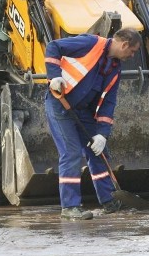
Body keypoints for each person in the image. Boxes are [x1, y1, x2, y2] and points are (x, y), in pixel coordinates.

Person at [45, 27, 143, 220]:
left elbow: (109, 102)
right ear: (124, 44)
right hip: (60, 105)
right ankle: (70, 207)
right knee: (71, 152)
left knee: (99, 153)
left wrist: (102, 134)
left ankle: (109, 200)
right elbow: (53, 46)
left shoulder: (114, 68)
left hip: (83, 112)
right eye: (132, 51)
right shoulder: (90, 43)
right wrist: (54, 76)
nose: (132, 56)